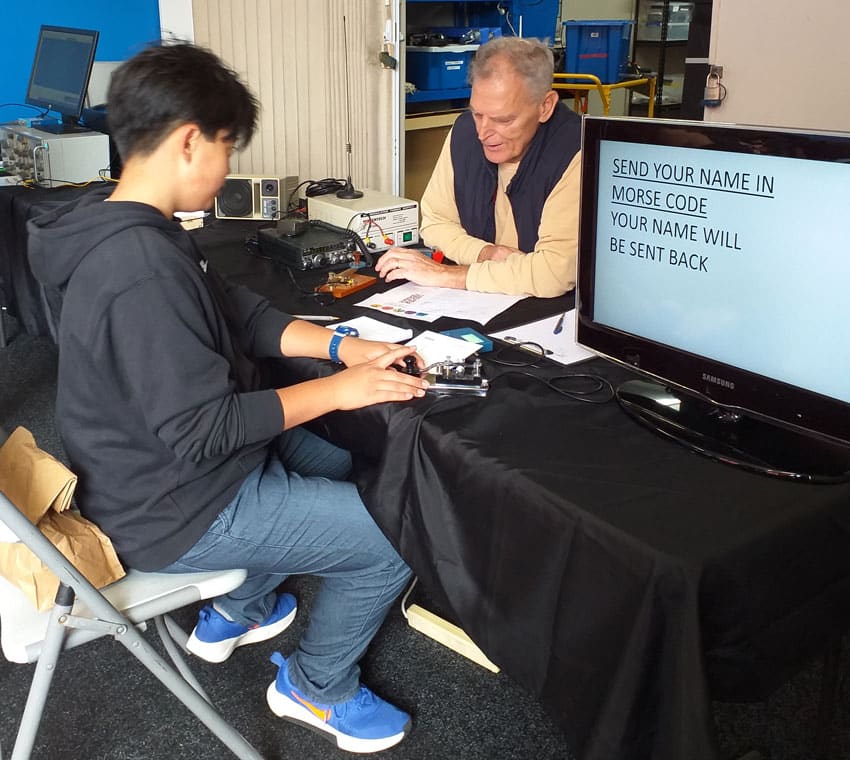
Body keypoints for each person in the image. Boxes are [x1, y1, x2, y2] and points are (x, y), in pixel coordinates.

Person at [27, 43, 429, 755]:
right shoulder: (139, 266)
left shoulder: (118, 217)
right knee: (393, 530)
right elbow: (205, 429)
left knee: (344, 456)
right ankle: (314, 685)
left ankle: (238, 607)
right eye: (224, 147)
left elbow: (234, 309)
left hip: (155, 470)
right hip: (174, 506)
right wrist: (342, 388)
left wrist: (343, 348)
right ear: (188, 141)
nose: (227, 168)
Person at [375, 36, 582, 298]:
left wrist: (443, 274)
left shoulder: (575, 150)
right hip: (481, 300)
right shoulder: (464, 132)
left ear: (545, 106)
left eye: (503, 119)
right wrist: (485, 253)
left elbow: (553, 274)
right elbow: (435, 222)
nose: (484, 133)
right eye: (477, 114)